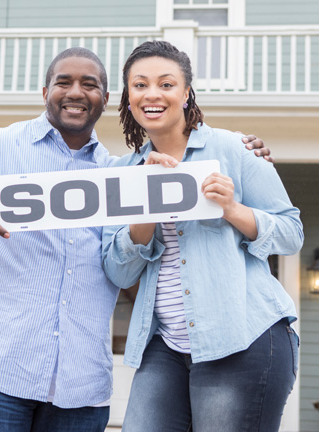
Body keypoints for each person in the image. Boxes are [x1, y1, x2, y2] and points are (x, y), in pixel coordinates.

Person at [0, 47, 271, 432]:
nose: (76, 92)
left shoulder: (119, 173)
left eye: (90, 84)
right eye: (63, 82)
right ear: (45, 91)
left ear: (106, 99)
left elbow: (128, 262)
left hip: (81, 388)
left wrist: (242, 152)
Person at [102, 40, 303, 432]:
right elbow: (119, 273)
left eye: (166, 83)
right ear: (128, 98)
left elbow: (291, 233)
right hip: (164, 346)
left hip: (242, 337)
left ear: (186, 92)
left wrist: (232, 210)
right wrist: (145, 208)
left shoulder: (234, 149)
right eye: (140, 85)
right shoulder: (126, 172)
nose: (152, 94)